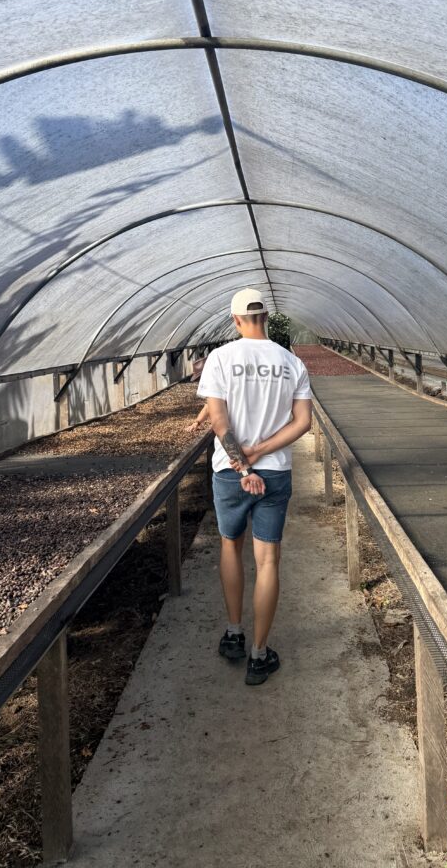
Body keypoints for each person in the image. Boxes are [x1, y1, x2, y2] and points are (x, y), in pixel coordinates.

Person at [196, 288, 312, 685]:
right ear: (265, 317)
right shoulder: (291, 362)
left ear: (235, 320)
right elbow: (303, 422)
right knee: (268, 561)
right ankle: (260, 655)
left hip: (229, 472)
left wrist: (243, 464)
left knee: (231, 545)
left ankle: (234, 633)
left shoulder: (220, 358)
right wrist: (260, 452)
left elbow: (220, 422)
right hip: (274, 472)